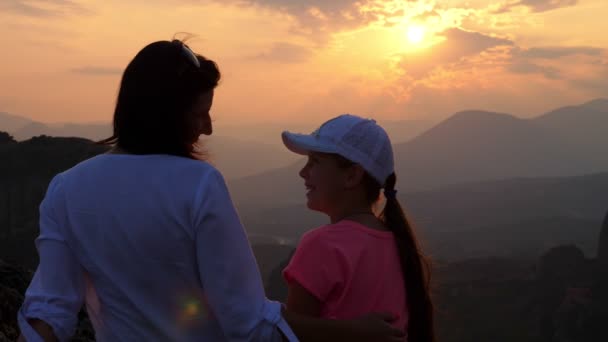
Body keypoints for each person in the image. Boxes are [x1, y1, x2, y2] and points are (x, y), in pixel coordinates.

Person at [17, 40, 404, 342]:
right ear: (167, 114)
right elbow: (247, 325)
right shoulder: (199, 185)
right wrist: (353, 333)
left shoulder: (66, 188)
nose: (208, 128)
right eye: (200, 112)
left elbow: (50, 310)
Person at [281, 114, 436, 342]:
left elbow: (288, 334)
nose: (303, 173)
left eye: (315, 162)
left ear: (352, 176)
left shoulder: (322, 245)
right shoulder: (399, 244)